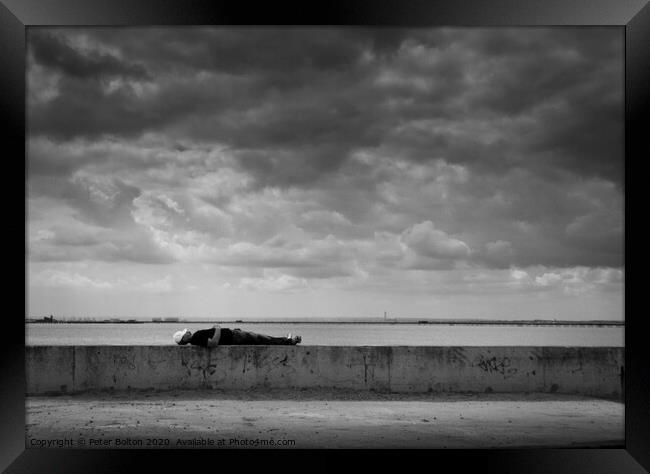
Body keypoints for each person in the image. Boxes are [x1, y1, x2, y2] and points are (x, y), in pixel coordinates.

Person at [173, 324, 302, 348]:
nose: (188, 331)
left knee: (260, 338)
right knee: (261, 338)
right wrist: (217, 328)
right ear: (184, 339)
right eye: (185, 333)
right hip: (234, 337)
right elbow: (213, 343)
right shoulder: (196, 338)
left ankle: (287, 340)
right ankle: (288, 341)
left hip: (233, 335)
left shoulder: (196, 338)